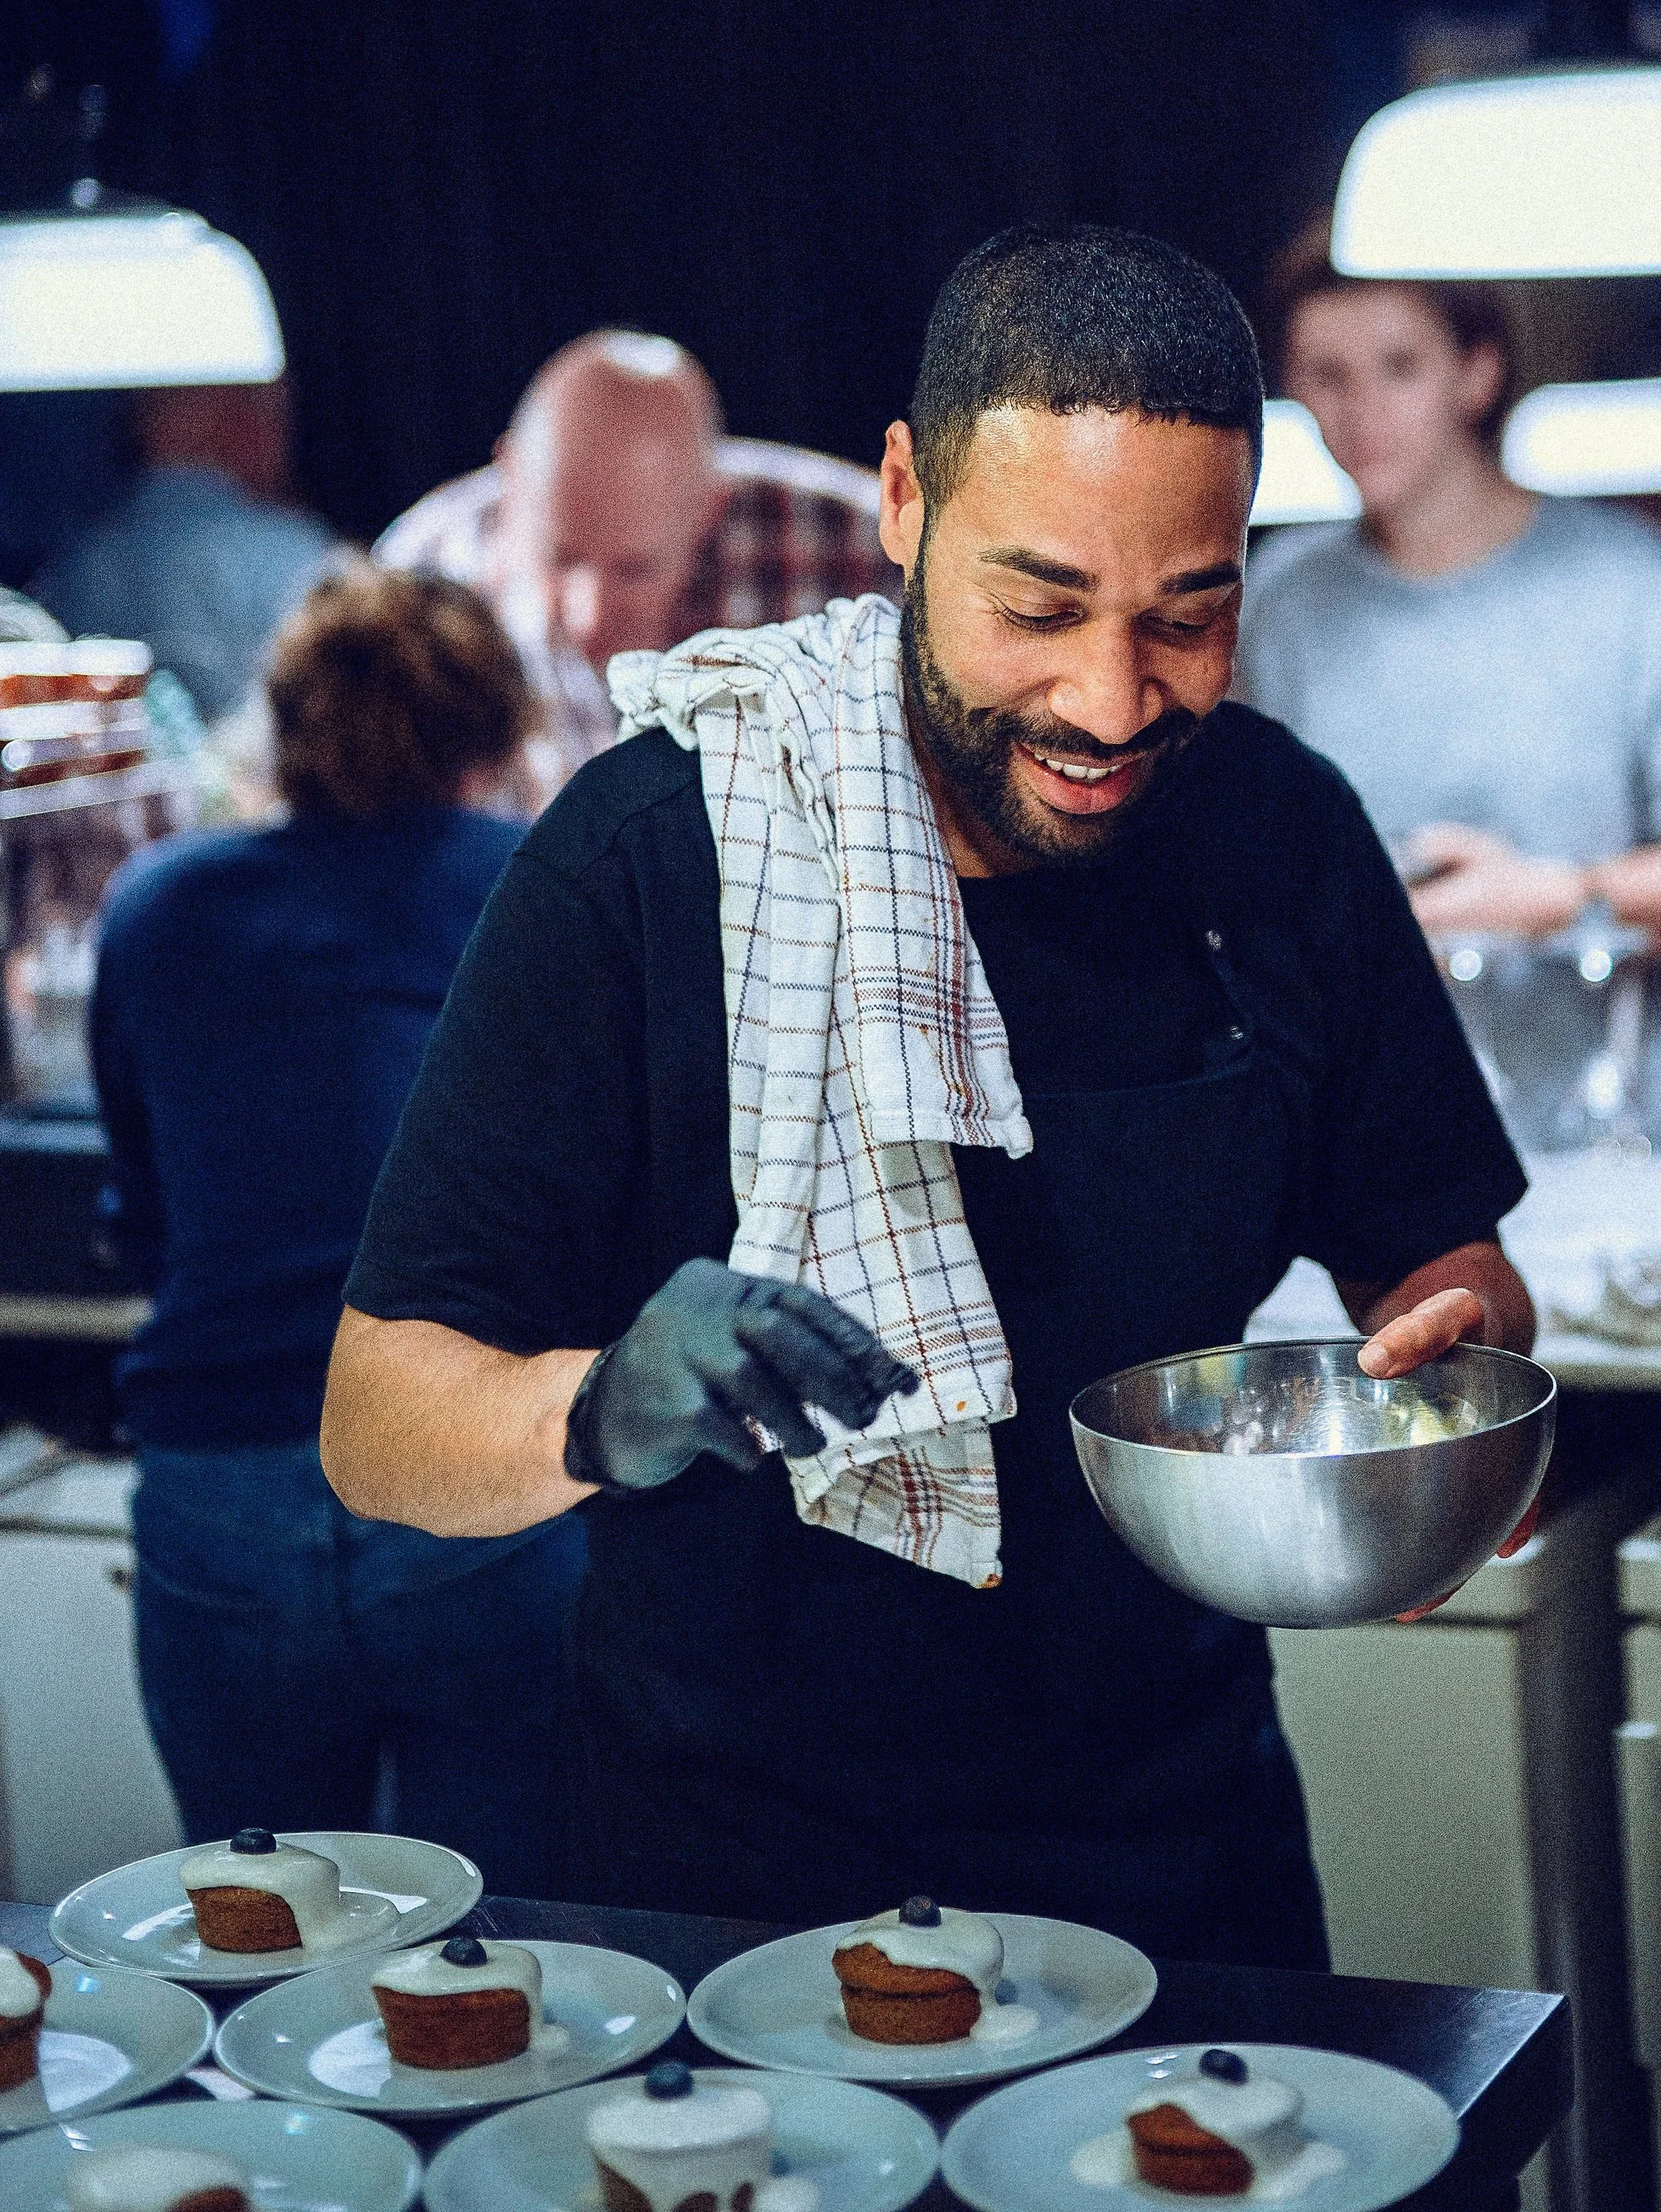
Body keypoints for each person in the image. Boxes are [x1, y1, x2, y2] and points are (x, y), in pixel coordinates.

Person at [322, 227, 1533, 1963]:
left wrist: (1442, 1390)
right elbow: (377, 1416)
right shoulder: (652, 854)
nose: (1109, 702)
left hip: (1178, 1856)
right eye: (1035, 607)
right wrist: (596, 1406)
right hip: (726, 1885)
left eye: (1184, 614)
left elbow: (1447, 1268)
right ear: (903, 500)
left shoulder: (1279, 835)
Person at [92, 568, 584, 1890]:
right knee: (500, 1955)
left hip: (222, 1490)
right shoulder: (532, 882)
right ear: (493, 737)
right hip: (467, 1477)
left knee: (258, 1944)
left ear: (287, 728)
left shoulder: (156, 907)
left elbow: (140, 1214)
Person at [1237, 228, 1661, 1149]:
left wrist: (1561, 893)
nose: (1361, 410)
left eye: (1398, 366)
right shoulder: (1281, 599)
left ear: (1477, 371)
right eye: (1325, 373)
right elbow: (1251, 870)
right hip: (1402, 1145)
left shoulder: (1638, 588)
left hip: (1651, 1139)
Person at [377, 331, 893, 806]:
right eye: (561, 558)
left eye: (634, 571)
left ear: (709, 511)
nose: (589, 619)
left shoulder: (863, 546)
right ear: (509, 480)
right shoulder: (417, 584)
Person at [36, 383, 338, 718]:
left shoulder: (70, 572)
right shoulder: (295, 558)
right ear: (235, 413)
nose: (285, 431)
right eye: (272, 406)